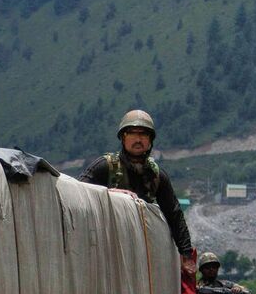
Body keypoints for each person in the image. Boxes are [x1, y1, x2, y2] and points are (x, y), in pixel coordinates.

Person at [80, 110, 194, 267]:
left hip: (140, 251)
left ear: (150, 141)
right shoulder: (104, 167)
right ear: (123, 138)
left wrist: (186, 253)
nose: (138, 139)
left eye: (144, 134)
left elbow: (174, 215)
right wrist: (111, 194)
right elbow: (78, 193)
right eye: (132, 133)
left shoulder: (157, 176)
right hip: (104, 247)